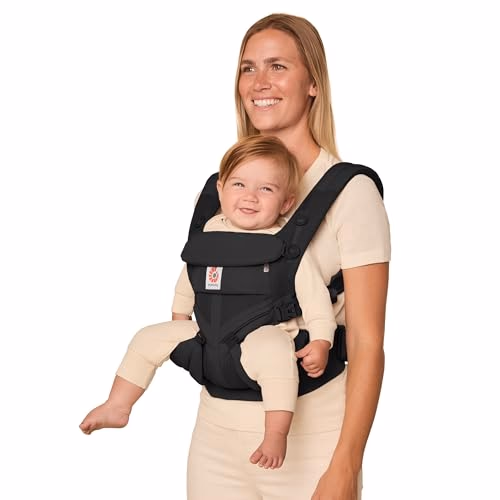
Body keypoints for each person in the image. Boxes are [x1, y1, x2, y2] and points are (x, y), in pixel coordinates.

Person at [84, 12, 390, 500]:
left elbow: (368, 343)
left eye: (277, 66)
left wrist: (345, 465)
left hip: (313, 439)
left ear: (313, 83)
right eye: (248, 68)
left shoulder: (349, 193)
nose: (259, 82)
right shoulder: (220, 191)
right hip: (216, 438)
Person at [80, 134, 338, 470]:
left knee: (276, 352)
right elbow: (190, 280)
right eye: (239, 184)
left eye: (266, 189)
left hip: (261, 340)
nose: (250, 196)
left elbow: (316, 302)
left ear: (287, 203)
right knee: (147, 337)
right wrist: (179, 319)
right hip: (209, 338)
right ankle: (118, 405)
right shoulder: (210, 234)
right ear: (220, 189)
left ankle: (275, 433)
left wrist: (321, 341)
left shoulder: (288, 248)